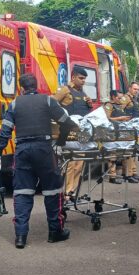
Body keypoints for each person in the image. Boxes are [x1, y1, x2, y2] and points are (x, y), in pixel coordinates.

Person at [0, 73, 79, 248]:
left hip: (22, 152)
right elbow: (68, 123)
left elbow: (5, 132)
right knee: (52, 191)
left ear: (21, 88)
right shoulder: (48, 101)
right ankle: (55, 232)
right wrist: (60, 142)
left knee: (22, 192)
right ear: (36, 86)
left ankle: (20, 237)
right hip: (44, 150)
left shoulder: (15, 104)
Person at [53, 66, 92, 198]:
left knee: (80, 163)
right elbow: (52, 104)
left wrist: (90, 104)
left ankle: (73, 191)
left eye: (84, 79)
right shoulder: (65, 90)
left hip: (82, 132)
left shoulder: (83, 93)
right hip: (68, 133)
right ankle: (67, 191)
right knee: (70, 163)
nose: (83, 81)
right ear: (73, 77)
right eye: (81, 78)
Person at [103, 90, 138, 183]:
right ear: (113, 97)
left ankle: (127, 174)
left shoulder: (120, 106)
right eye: (119, 98)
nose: (121, 100)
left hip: (123, 132)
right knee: (112, 155)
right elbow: (107, 118)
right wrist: (120, 118)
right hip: (113, 132)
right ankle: (112, 176)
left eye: (122, 98)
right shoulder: (108, 105)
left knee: (128, 152)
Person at [120, 82, 139, 181]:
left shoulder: (135, 98)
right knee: (128, 151)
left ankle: (133, 172)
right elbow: (119, 109)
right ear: (129, 88)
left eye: (137, 89)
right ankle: (127, 174)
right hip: (127, 127)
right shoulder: (125, 98)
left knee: (133, 150)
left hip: (134, 127)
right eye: (134, 89)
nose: (136, 91)